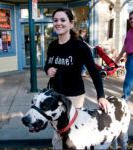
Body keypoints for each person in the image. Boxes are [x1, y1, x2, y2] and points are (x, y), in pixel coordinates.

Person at [44, 8, 110, 149]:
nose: (58, 23)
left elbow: (94, 71)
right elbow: (47, 65)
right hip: (55, 95)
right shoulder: (52, 46)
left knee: (72, 133)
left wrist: (101, 95)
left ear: (71, 23)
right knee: (57, 129)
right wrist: (48, 70)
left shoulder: (80, 46)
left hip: (74, 97)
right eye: (55, 20)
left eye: (63, 20)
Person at [115, 10, 133, 101]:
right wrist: (119, 57)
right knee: (129, 77)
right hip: (129, 57)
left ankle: (125, 97)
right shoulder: (129, 31)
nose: (132, 20)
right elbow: (125, 45)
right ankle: (126, 95)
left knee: (129, 78)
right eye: (130, 18)